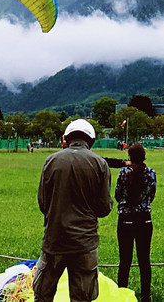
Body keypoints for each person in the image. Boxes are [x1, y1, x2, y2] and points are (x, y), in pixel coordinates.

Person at [33, 118, 113, 302]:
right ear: (91, 140)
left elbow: (43, 203)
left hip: (54, 241)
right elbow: (103, 209)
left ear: (67, 138)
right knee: (82, 298)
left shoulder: (51, 161)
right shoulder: (100, 164)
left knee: (43, 296)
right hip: (84, 244)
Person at [114, 143, 156, 302]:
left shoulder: (123, 172)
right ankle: (146, 296)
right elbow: (152, 195)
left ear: (129, 157)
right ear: (144, 156)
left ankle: (121, 294)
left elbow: (117, 195)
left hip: (125, 220)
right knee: (144, 260)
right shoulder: (151, 173)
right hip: (144, 219)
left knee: (124, 261)